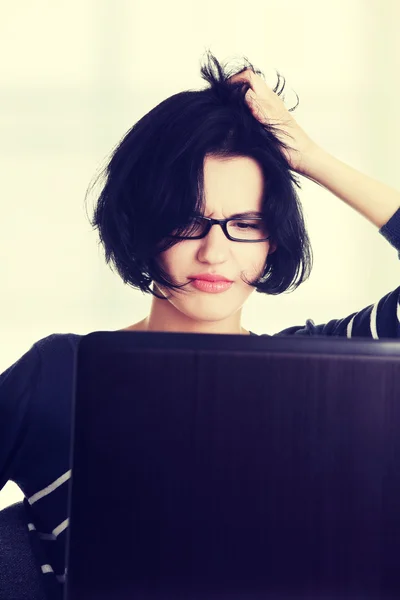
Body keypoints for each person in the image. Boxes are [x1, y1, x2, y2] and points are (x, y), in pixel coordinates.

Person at [0, 52, 399, 600]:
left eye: (245, 223)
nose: (214, 252)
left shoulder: (323, 375)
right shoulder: (56, 374)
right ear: (142, 227)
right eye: (188, 221)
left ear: (273, 238)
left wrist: (308, 158)